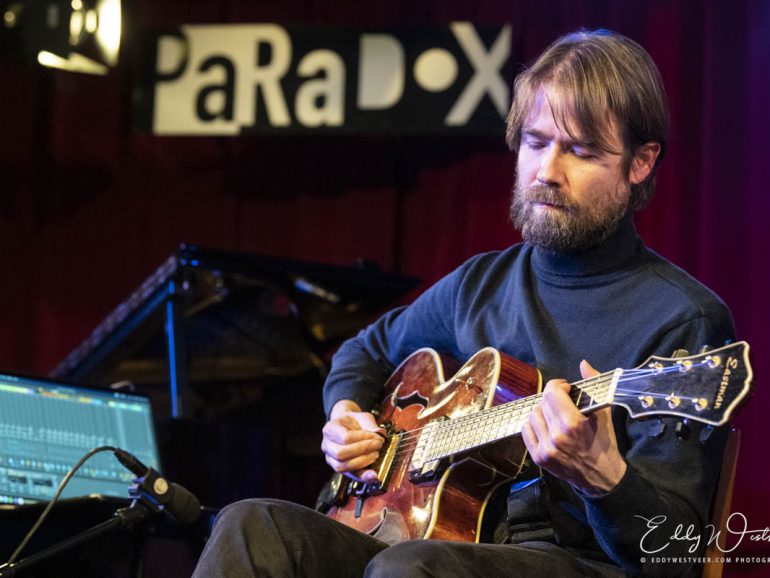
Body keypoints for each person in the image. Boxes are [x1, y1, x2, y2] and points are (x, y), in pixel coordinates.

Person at [191, 29, 735, 578]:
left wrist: (604, 479)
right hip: (431, 540)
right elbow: (364, 350)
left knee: (411, 568)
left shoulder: (682, 319)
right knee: (250, 523)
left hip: (577, 563)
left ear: (640, 163)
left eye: (581, 150)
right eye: (535, 141)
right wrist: (347, 416)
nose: (547, 171)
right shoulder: (480, 283)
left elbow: (676, 558)